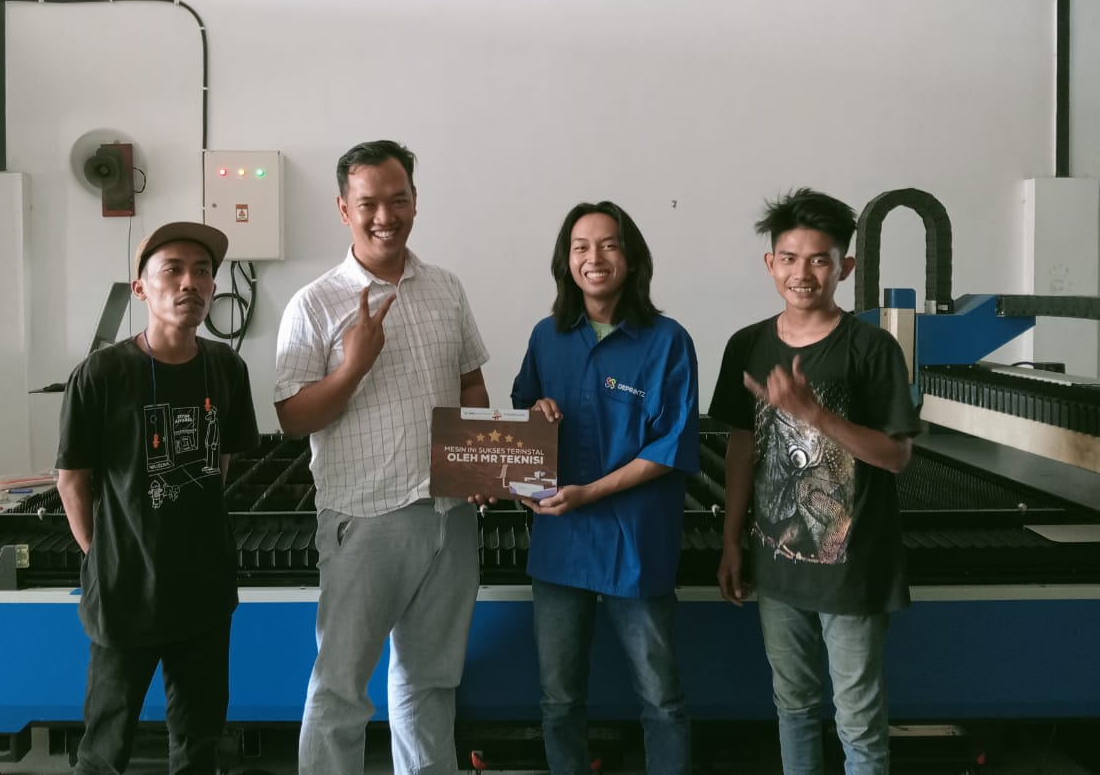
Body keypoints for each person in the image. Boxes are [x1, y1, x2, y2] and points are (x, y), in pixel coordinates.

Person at [274, 140, 490, 775]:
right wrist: (353, 367)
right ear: (344, 209)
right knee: (340, 690)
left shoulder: (446, 289)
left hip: (450, 517)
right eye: (368, 203)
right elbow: (292, 418)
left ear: (415, 201)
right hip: (365, 520)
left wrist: (481, 468)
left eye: (398, 200)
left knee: (430, 682)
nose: (384, 216)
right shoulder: (314, 303)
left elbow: (470, 384)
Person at [708, 188, 920, 775]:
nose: (803, 273)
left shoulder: (871, 348)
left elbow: (896, 457)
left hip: (852, 572)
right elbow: (741, 449)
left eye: (820, 259)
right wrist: (732, 542)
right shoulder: (748, 345)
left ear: (844, 268)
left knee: (859, 723)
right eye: (790, 258)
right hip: (777, 568)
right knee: (794, 708)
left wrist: (815, 416)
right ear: (770, 263)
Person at [56, 222, 259, 774]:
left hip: (205, 589)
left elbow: (220, 463)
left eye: (202, 271)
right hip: (125, 591)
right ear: (141, 288)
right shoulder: (101, 374)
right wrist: (102, 555)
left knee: (199, 741)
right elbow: (72, 480)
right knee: (105, 746)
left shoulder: (227, 367)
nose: (190, 282)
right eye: (172, 269)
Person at [511, 201, 699, 775]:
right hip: (560, 546)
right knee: (558, 699)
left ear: (631, 258)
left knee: (661, 698)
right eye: (581, 247)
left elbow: (671, 445)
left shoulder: (667, 341)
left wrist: (589, 494)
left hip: (635, 543)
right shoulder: (547, 337)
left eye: (609, 244)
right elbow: (521, 420)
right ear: (566, 262)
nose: (594, 258)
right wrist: (534, 418)